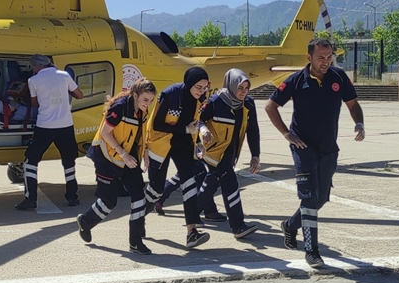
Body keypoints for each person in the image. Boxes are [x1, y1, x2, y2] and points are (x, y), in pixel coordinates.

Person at [264, 38, 365, 268]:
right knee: (309, 197)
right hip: (303, 147)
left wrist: (359, 123)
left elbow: (353, 104)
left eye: (329, 57)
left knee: (320, 199)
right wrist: (287, 134)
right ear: (309, 57)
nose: (326, 62)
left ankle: (290, 225)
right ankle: (312, 251)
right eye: (321, 58)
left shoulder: (339, 77)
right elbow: (271, 106)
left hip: (328, 147)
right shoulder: (296, 80)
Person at [76, 79, 168, 254]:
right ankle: (85, 222)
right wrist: (122, 153)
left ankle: (135, 242)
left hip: (129, 159)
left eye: (150, 100)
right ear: (135, 95)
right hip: (107, 158)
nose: (148, 104)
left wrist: (145, 152)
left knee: (139, 196)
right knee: (108, 202)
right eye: (145, 100)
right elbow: (105, 132)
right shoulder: (119, 107)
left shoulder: (142, 110)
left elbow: (140, 134)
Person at [143, 67, 224, 228]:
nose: (201, 91)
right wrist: (185, 129)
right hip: (160, 142)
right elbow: (157, 125)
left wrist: (198, 142)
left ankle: (192, 230)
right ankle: (138, 219)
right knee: (156, 190)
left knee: (189, 182)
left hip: (183, 143)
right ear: (189, 83)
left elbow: (194, 121)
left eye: (204, 87)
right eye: (198, 87)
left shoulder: (201, 98)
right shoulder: (170, 95)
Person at [194, 68, 261, 240]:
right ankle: (238, 226)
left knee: (212, 182)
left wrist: (255, 155)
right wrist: (203, 130)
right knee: (230, 183)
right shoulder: (216, 101)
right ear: (231, 85)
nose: (243, 92)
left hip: (231, 152)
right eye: (240, 88)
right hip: (214, 151)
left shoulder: (248, 104)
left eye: (246, 88)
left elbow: (253, 130)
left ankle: (192, 214)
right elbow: (198, 119)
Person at [16, 54, 85, 210]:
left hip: (45, 126)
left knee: (31, 161)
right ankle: (72, 197)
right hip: (65, 125)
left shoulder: (33, 80)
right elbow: (80, 95)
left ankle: (30, 199)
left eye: (33, 66)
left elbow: (34, 104)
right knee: (69, 161)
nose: (33, 69)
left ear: (38, 66)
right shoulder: (64, 75)